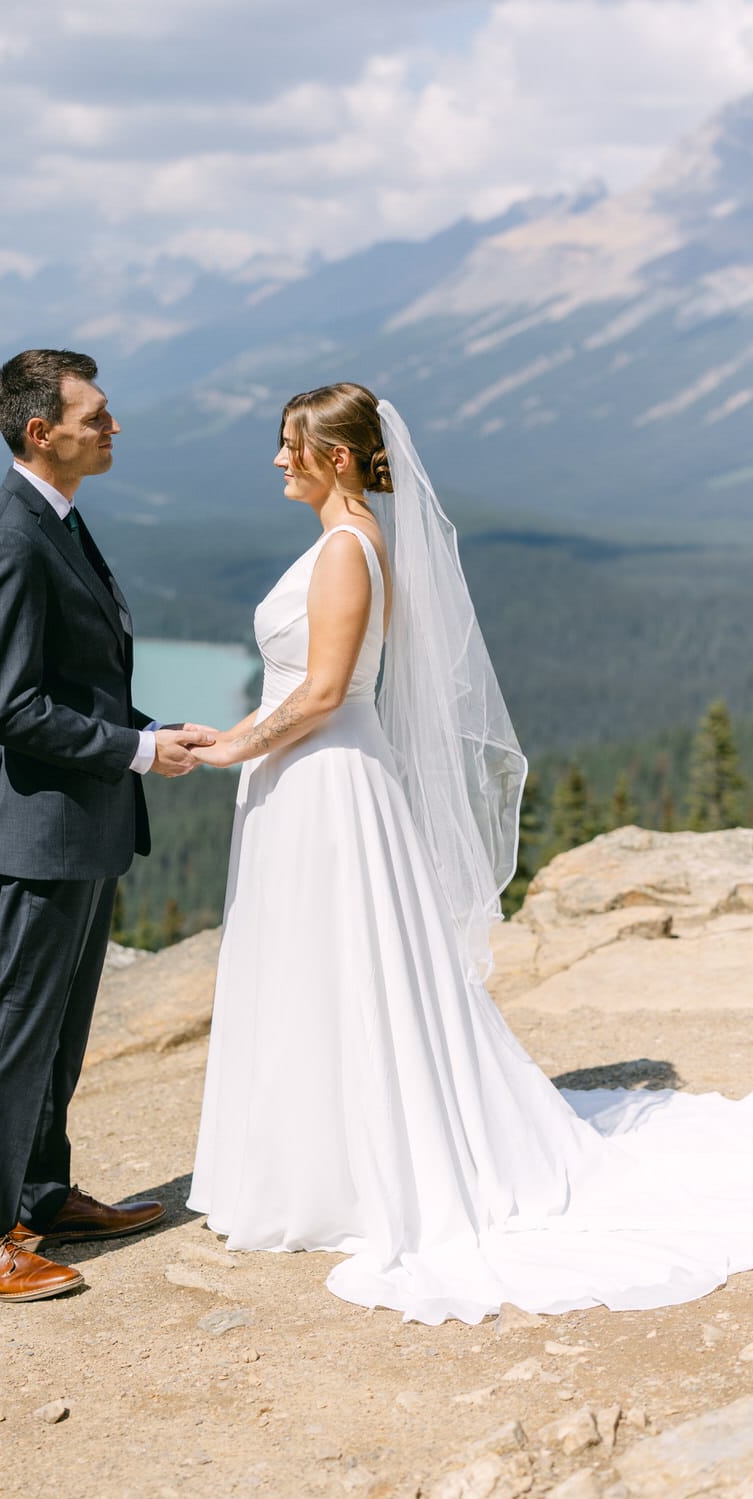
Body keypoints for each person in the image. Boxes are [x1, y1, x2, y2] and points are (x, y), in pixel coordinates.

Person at [186, 381, 753, 1325]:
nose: (277, 461)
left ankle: (339, 1172)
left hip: (326, 781)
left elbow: (326, 693)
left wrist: (236, 750)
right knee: (321, 968)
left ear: (334, 458)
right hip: (309, 774)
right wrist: (225, 739)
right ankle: (316, 1160)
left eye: (290, 445)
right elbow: (303, 684)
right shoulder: (357, 545)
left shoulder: (343, 551)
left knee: (333, 966)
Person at [0, 348, 214, 1303]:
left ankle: (44, 1196)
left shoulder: (58, 519)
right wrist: (135, 754)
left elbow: (80, 686)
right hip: (45, 827)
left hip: (83, 821)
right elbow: (6, 708)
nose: (111, 427)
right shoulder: (10, 538)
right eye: (95, 415)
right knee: (18, 1029)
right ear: (40, 432)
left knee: (60, 1028)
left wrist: (148, 730)